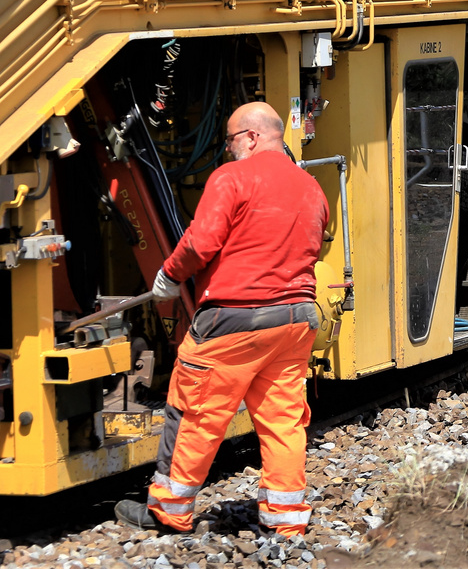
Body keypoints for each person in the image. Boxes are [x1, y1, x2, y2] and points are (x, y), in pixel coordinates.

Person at [116, 101, 332, 538]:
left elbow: (202, 240)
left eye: (231, 141)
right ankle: (286, 523)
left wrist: (170, 275)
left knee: (195, 412)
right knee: (283, 420)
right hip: (295, 321)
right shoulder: (312, 188)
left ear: (251, 137)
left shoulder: (233, 177)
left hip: (235, 320)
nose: (229, 150)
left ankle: (169, 511)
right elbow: (315, 247)